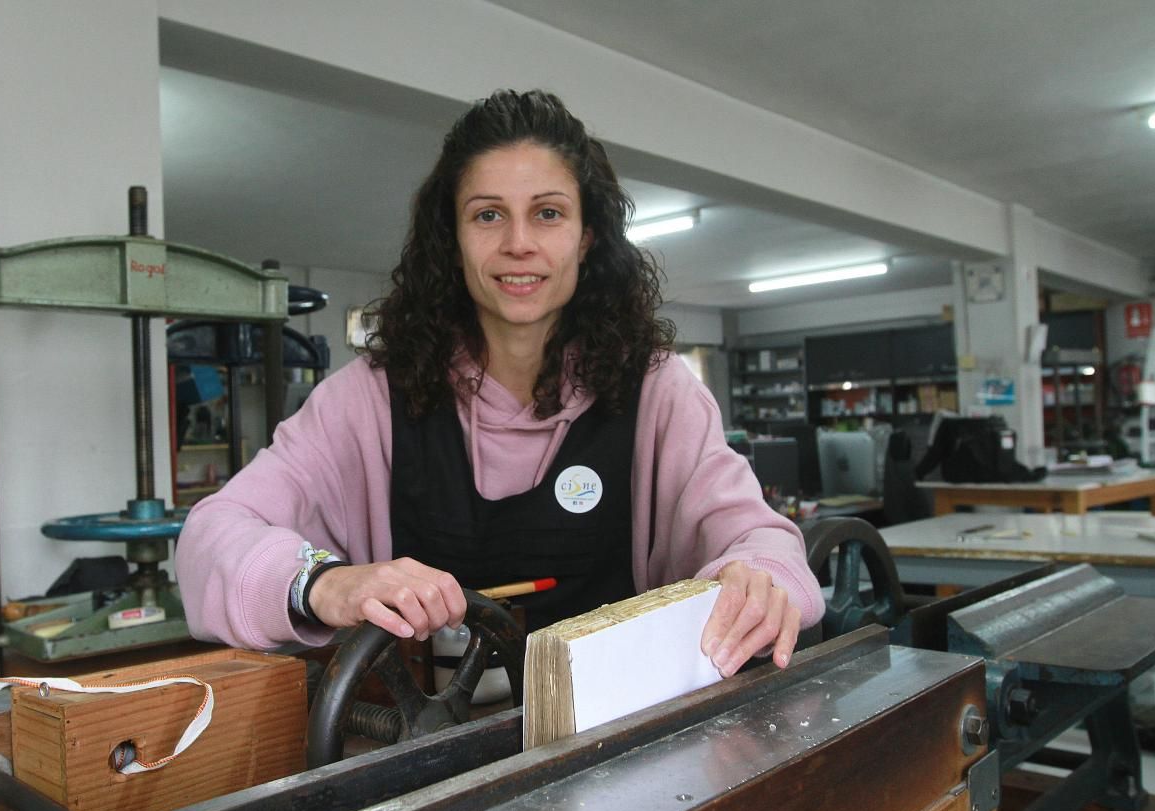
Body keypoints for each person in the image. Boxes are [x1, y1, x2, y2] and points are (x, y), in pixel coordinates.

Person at [176, 89, 823, 678]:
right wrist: (320, 583)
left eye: (547, 213)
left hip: (620, 757)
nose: (518, 243)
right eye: (488, 216)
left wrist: (756, 576)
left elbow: (758, 537)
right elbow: (213, 533)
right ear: (453, 240)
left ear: (587, 236)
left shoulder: (658, 390)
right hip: (423, 770)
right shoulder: (367, 399)